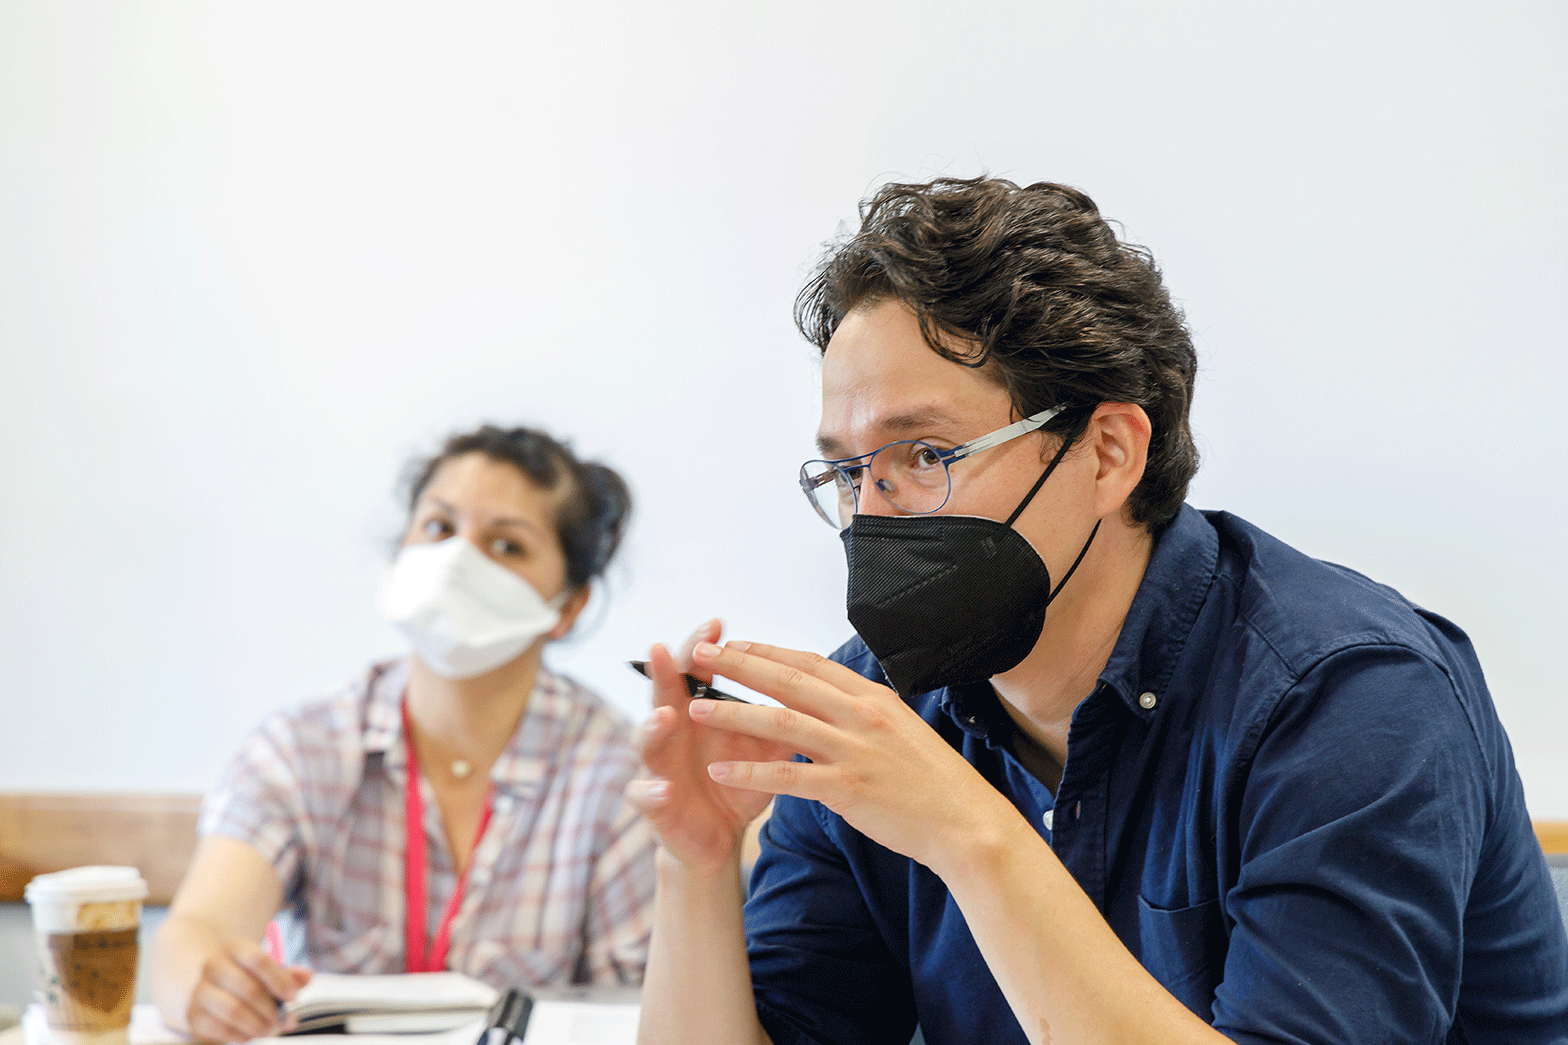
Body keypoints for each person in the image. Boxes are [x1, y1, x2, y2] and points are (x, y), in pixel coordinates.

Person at [627, 178, 1568, 1045]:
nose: (871, 513)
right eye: (845, 470)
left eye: (923, 455)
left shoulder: (1350, 699)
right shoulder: (882, 707)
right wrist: (698, 864)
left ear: (1109, 452)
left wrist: (971, 836)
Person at [152, 424, 658, 1042]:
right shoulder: (301, 748)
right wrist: (205, 989)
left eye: (505, 545)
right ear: (401, 552)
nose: (458, 561)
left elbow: (639, 1011)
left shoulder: (617, 776)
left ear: (568, 606)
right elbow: (195, 932)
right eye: (440, 528)